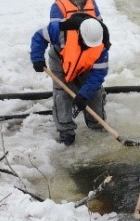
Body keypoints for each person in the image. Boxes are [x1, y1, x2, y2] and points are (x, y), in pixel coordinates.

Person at [30, 15, 109, 146]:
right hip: (60, 61)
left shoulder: (101, 44)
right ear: (80, 33)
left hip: (86, 65)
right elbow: (39, 37)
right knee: (62, 95)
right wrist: (37, 58)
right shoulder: (61, 30)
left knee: (94, 93)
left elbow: (98, 74)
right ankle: (66, 132)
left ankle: (96, 124)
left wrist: (84, 95)